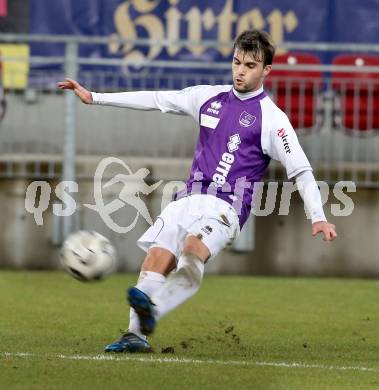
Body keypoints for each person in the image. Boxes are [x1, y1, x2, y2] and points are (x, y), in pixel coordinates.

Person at [58, 30, 337, 353]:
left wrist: (318, 216)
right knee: (156, 258)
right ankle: (135, 335)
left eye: (249, 65)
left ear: (266, 71)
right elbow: (157, 99)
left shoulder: (273, 120)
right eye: (236, 62)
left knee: (192, 249)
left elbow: (300, 169)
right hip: (187, 199)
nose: (240, 71)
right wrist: (96, 97)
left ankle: (154, 309)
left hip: (226, 208)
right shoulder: (208, 97)